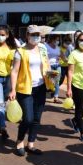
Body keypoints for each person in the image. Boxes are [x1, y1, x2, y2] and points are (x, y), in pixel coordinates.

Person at [9, 25, 52, 156]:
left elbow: (47, 64)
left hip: (40, 87)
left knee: (37, 118)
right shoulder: (20, 51)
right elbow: (14, 71)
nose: (36, 37)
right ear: (27, 36)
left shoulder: (43, 49)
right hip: (25, 88)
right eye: (33, 34)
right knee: (28, 118)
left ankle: (31, 144)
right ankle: (20, 140)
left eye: (38, 35)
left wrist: (51, 77)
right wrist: (12, 90)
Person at [45, 35, 62, 104]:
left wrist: (59, 58)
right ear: (51, 39)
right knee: (50, 82)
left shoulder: (58, 48)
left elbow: (60, 55)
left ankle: (56, 97)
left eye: (58, 40)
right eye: (55, 40)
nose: (57, 42)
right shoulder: (46, 46)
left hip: (57, 65)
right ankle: (46, 94)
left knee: (57, 82)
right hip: (49, 66)